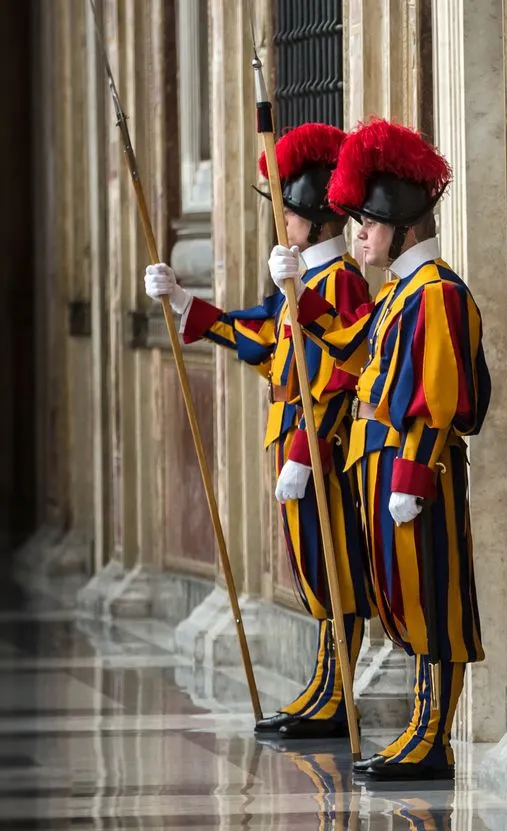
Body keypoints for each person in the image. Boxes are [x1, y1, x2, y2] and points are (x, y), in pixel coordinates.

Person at [273, 117, 491, 781]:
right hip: (382, 466)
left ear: (403, 223)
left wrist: (412, 475)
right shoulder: (398, 294)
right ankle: (420, 732)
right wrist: (300, 303)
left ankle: (433, 738)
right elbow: (356, 355)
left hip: (410, 471)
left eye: (366, 219)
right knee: (404, 603)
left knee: (434, 605)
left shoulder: (438, 294)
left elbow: (438, 396)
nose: (356, 232)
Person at [144, 122, 373, 740]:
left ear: (316, 220)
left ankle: (337, 690)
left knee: (334, 569)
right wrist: (188, 303)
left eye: (289, 214)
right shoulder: (299, 280)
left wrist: (302, 453)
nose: (282, 224)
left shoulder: (340, 282)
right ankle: (325, 682)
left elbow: (335, 379)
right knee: (312, 571)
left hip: (320, 447)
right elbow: (263, 335)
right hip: (291, 437)